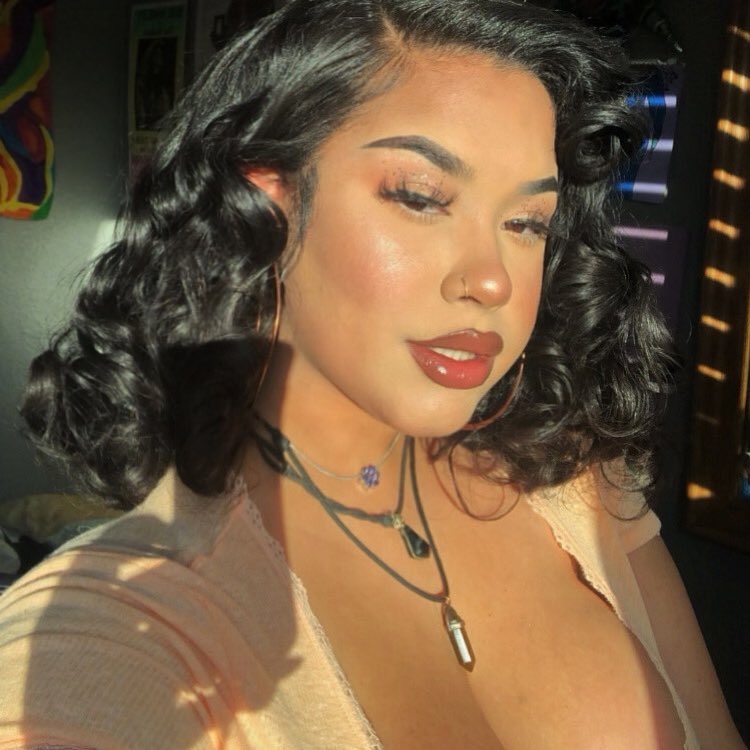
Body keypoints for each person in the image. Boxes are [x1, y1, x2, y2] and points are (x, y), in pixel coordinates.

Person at [0, 1, 745, 748]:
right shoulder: (109, 637)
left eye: (525, 223)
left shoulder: (574, 477)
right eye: (421, 197)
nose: (492, 279)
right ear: (268, 207)